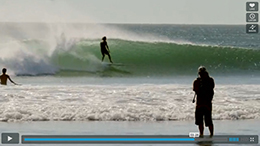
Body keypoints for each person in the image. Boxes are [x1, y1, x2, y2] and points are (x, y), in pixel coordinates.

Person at [193, 66, 215, 137]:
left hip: (200, 103)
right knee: (209, 121)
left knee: (200, 121)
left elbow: (195, 90)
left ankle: (201, 134)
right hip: (207, 103)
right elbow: (212, 88)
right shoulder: (210, 80)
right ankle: (211, 134)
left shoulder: (197, 81)